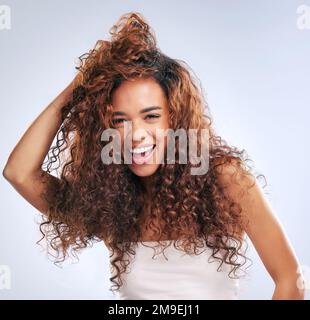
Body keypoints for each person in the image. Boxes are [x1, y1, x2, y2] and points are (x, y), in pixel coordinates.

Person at [2, 12, 305, 300]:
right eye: (120, 120)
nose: (135, 134)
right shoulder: (110, 201)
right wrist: (81, 85)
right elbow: (19, 172)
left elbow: (290, 280)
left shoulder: (224, 179)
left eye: (150, 116)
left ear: (174, 118)